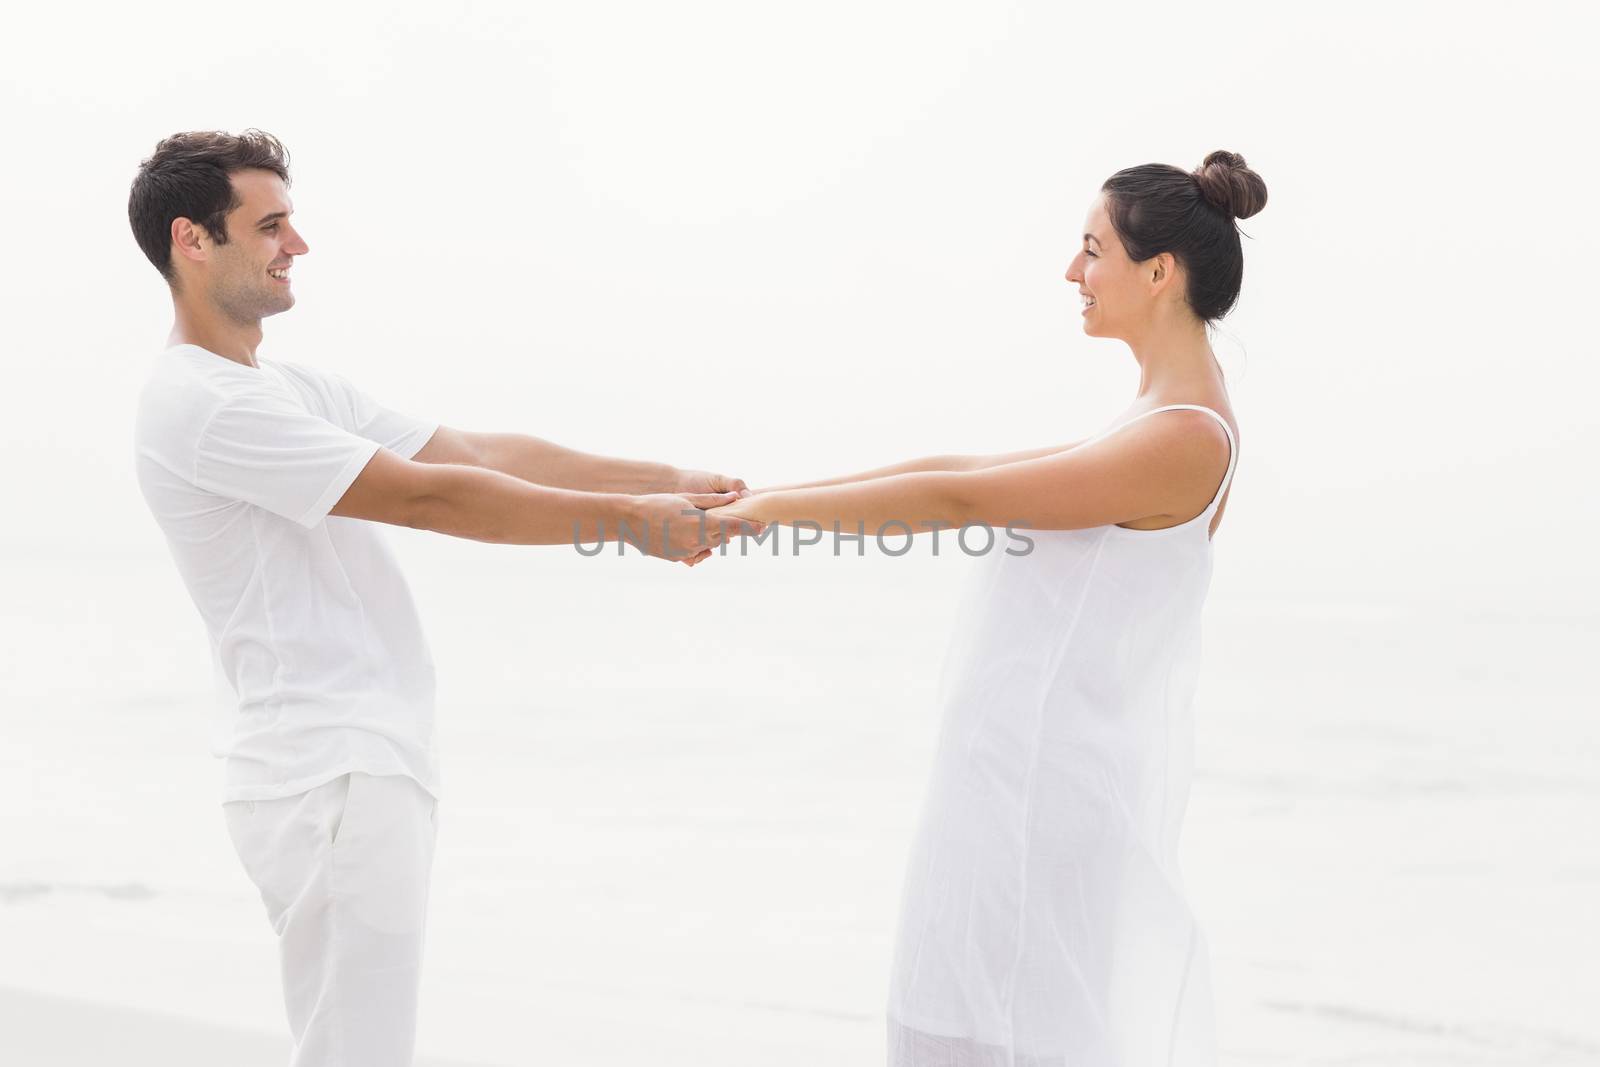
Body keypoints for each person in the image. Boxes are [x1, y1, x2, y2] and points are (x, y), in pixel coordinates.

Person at [127, 128, 754, 1067]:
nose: (297, 243)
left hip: (359, 760)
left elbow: (474, 455)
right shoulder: (206, 402)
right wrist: (633, 520)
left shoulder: (288, 387)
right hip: (324, 768)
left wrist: (673, 476)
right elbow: (429, 498)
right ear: (193, 240)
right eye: (270, 225)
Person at [711, 151, 1267, 1065]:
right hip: (1011, 784)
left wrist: (763, 516)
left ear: (1160, 272)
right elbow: (960, 472)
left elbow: (963, 502)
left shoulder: (1184, 436)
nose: (1071, 273)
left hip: (1037, 800)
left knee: (994, 1035)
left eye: (1092, 251)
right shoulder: (1153, 420)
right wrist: (759, 499)